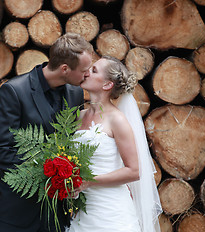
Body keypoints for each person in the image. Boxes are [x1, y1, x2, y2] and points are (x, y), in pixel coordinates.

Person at [0, 33, 93, 232]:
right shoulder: (14, 91)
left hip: (55, 215)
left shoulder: (75, 93)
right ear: (65, 69)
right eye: (84, 70)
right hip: (15, 213)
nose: (87, 75)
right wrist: (48, 170)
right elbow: (0, 150)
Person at [68, 56, 162, 232]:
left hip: (111, 214)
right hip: (83, 212)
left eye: (94, 70)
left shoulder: (117, 120)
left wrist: (88, 182)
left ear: (107, 85)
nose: (87, 72)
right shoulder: (79, 116)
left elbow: (133, 171)